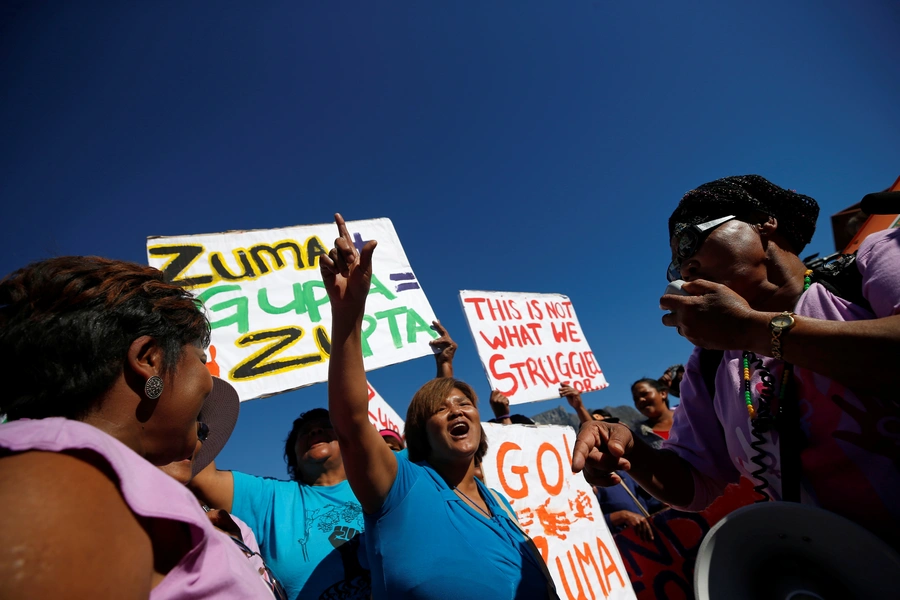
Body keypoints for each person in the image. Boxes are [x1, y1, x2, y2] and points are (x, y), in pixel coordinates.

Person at [570, 174, 900, 551]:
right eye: (676, 267)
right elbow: (693, 482)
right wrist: (632, 451)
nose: (685, 268)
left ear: (763, 222)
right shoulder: (711, 367)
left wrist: (751, 330)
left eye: (690, 241)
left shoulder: (875, 260)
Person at [0, 256, 272, 598]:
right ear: (149, 359)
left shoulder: (93, 478)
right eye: (201, 361)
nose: (208, 381)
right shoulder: (61, 480)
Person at [321, 214, 558, 600]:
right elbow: (350, 422)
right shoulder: (399, 485)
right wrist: (348, 314)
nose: (457, 411)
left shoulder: (498, 503)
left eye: (465, 403)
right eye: (442, 410)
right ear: (419, 430)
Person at [189, 407, 371, 599]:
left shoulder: (380, 484)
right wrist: (196, 407)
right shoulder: (271, 497)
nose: (315, 432)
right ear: (294, 453)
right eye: (304, 433)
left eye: (327, 427)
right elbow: (203, 477)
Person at [158, 375, 288, 599]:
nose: (194, 440)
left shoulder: (235, 527)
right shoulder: (101, 513)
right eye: (179, 420)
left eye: (201, 432)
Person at [630, 378, 675, 447]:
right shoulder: (638, 437)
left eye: (644, 394)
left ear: (663, 394)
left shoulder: (689, 417)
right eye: (636, 399)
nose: (640, 400)